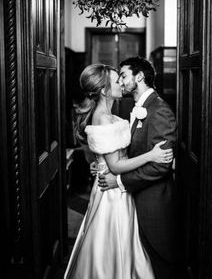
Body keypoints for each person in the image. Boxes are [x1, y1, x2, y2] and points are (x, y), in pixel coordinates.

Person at [64, 63, 173, 279]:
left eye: (122, 77)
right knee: (112, 245)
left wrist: (99, 162)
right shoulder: (103, 117)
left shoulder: (110, 113)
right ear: (104, 89)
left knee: (125, 244)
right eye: (117, 80)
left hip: (118, 185)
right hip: (112, 192)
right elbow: (114, 166)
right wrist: (151, 155)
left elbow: (111, 155)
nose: (121, 83)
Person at [97, 57, 177, 279]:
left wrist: (119, 181)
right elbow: (133, 152)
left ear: (139, 76)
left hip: (154, 201)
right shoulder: (138, 107)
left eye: (123, 75)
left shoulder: (159, 109)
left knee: (159, 261)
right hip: (135, 198)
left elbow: (161, 167)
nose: (120, 82)